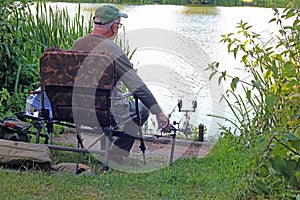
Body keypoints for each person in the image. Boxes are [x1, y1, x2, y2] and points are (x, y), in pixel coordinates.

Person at [71, 5, 170, 162]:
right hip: (106, 111)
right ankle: (119, 152)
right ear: (114, 27)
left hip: (76, 108)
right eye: (119, 25)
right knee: (143, 109)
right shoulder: (112, 49)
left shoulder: (77, 44)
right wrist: (158, 112)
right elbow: (136, 86)